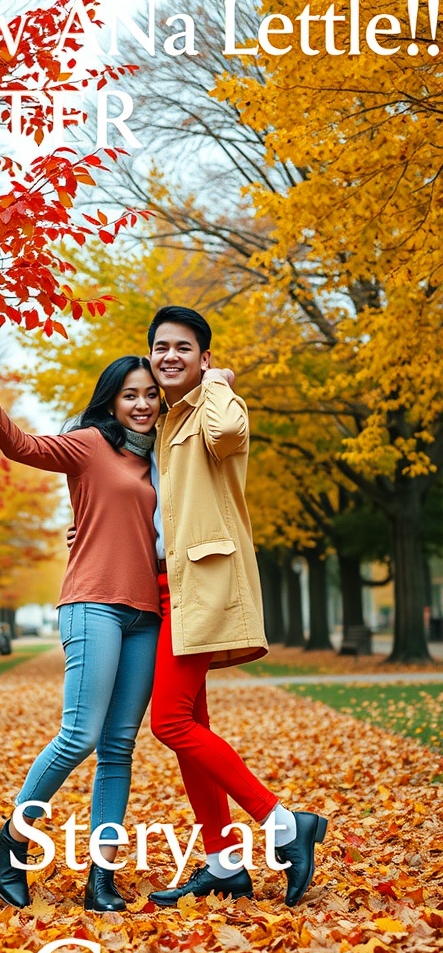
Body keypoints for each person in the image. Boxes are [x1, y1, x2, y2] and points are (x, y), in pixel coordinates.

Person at [0, 329, 162, 912]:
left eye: (151, 393)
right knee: (79, 735)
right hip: (93, 603)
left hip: (147, 615)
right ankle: (13, 840)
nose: (143, 403)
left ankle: (101, 877)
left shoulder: (163, 457)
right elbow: (21, 446)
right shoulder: (88, 445)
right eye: (131, 394)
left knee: (120, 747)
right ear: (111, 401)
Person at [143, 306, 327, 909]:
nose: (171, 356)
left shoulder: (217, 407)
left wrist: (219, 388)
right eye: (162, 347)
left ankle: (282, 823)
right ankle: (224, 863)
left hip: (205, 585)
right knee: (193, 725)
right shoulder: (161, 424)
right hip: (165, 588)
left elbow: (226, 439)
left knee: (169, 722)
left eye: (184, 348)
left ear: (204, 358)